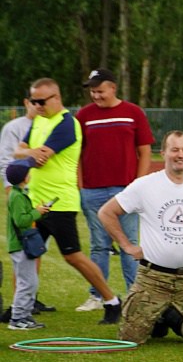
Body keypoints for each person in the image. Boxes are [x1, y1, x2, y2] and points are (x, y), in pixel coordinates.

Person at [97, 130, 183, 345]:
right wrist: (126, 246)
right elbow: (106, 212)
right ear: (163, 153)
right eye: (175, 150)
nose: (181, 155)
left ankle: (170, 317)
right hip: (153, 278)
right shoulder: (145, 185)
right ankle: (159, 315)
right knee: (130, 339)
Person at [12, 78, 122, 324]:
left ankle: (111, 301)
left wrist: (27, 153)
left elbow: (39, 158)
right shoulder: (39, 121)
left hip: (59, 203)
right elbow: (18, 151)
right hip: (34, 201)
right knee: (26, 253)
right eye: (33, 101)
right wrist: (28, 152)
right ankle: (21, 308)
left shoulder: (66, 124)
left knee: (72, 256)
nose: (37, 106)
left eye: (41, 101)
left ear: (56, 98)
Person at [75, 68, 154, 311]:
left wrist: (137, 185)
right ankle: (98, 296)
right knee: (99, 245)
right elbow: (77, 154)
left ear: (113, 88)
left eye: (99, 90)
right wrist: (81, 186)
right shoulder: (83, 116)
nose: (95, 96)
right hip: (93, 190)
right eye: (92, 91)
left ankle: (134, 294)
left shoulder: (133, 113)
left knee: (128, 243)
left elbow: (145, 151)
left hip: (125, 191)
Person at [6, 163, 48, 330]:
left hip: (22, 245)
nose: (30, 175)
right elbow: (21, 221)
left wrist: (38, 211)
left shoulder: (20, 194)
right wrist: (37, 212)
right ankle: (17, 318)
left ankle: (25, 315)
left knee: (32, 282)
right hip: (20, 245)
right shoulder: (16, 197)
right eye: (28, 173)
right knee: (27, 283)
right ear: (23, 177)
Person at [0, 98, 35, 193]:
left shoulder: (54, 126)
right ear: (27, 103)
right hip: (25, 190)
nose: (39, 106)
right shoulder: (13, 128)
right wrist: (10, 189)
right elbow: (6, 160)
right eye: (35, 102)